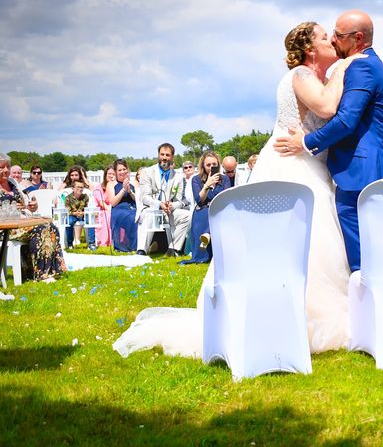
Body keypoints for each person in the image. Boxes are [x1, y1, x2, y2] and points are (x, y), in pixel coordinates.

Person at [113, 20, 360, 358]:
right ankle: (291, 317)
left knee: (314, 245)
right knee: (299, 240)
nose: (331, 40)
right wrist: (346, 65)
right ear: (309, 49)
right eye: (322, 37)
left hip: (310, 164)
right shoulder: (301, 77)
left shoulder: (314, 77)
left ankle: (308, 313)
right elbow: (329, 108)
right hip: (293, 168)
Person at [275, 10, 383, 272]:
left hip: (362, 172)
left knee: (364, 259)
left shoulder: (361, 65)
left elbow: (345, 120)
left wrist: (306, 142)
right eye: (328, 34)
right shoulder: (347, 68)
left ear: (357, 38)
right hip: (349, 171)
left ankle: (371, 304)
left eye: (338, 35)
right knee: (364, 254)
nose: (332, 39)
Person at [0, 153, 66, 282]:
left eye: (8, 166)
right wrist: (14, 209)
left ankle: (49, 271)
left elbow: (26, 203)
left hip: (22, 222)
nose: (6, 170)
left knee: (51, 227)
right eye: (2, 167)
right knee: (41, 229)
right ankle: (42, 274)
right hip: (6, 228)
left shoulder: (13, 182)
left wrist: (32, 206)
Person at [136, 143, 190, 257]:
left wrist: (172, 206)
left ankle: (173, 249)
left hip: (168, 211)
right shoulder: (147, 172)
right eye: (162, 154)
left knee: (187, 216)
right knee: (149, 215)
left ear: (172, 157)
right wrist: (159, 204)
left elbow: (179, 199)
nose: (164, 157)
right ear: (158, 155)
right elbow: (145, 198)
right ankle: (142, 250)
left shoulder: (178, 176)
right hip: (151, 209)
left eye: (167, 155)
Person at [180, 152, 230, 264]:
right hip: (203, 210)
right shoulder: (196, 179)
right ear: (203, 166)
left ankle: (208, 234)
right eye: (208, 165)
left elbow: (225, 198)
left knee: (214, 212)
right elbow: (199, 200)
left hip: (219, 210)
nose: (211, 167)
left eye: (214, 164)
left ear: (218, 164)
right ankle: (207, 236)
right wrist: (207, 185)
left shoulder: (225, 179)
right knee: (206, 213)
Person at [107, 159, 138, 252]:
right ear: (115, 172)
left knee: (138, 216)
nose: (122, 172)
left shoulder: (132, 183)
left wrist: (130, 192)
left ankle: (139, 245)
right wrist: (123, 190)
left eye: (124, 169)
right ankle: (126, 247)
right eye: (119, 170)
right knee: (131, 217)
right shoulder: (111, 184)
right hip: (119, 209)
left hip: (132, 207)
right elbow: (113, 202)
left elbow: (137, 200)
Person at [65, 180, 97, 250]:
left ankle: (91, 243)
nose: (80, 189)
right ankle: (70, 243)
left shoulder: (85, 197)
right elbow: (67, 211)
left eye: (82, 187)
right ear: (73, 188)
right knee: (69, 221)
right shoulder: (68, 198)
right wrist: (75, 213)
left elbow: (89, 208)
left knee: (90, 220)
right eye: (78, 187)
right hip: (72, 215)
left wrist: (83, 213)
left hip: (83, 215)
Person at [93, 166, 115, 247]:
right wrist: (109, 209)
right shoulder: (99, 188)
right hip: (101, 211)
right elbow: (101, 202)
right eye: (109, 173)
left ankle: (117, 241)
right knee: (108, 215)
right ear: (105, 175)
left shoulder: (115, 186)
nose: (111, 175)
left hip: (113, 209)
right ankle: (104, 242)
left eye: (113, 174)